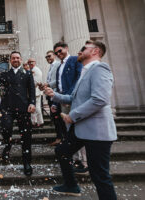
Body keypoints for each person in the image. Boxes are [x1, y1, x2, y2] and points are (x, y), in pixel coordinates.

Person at [44, 40, 117, 199]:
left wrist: (72, 116)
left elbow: (99, 99)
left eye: (84, 48)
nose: (79, 51)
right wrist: (54, 95)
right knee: (62, 151)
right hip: (81, 129)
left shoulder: (100, 68)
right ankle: (71, 185)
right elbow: (73, 98)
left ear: (95, 51)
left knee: (100, 176)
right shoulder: (85, 71)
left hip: (97, 130)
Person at [0, 51, 36, 176]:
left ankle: (27, 163)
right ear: (10, 60)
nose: (15, 60)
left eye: (18, 58)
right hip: (7, 107)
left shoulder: (28, 74)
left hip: (23, 108)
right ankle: (8, 145)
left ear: (21, 59)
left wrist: (32, 103)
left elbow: (32, 90)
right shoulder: (4, 74)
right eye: (13, 58)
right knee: (6, 128)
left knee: (26, 136)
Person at [52, 42, 87, 173]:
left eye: (60, 51)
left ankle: (84, 161)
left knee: (79, 129)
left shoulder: (74, 60)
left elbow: (78, 79)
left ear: (66, 48)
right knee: (69, 131)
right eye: (56, 53)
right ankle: (75, 158)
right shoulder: (59, 66)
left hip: (74, 100)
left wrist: (70, 96)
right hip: (63, 102)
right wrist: (56, 103)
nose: (58, 54)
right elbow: (58, 87)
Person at [44, 50, 63, 146]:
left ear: (54, 55)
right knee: (55, 118)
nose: (48, 58)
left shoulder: (58, 65)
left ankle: (60, 138)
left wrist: (48, 84)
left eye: (49, 56)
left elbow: (59, 80)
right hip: (50, 95)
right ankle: (59, 137)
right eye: (46, 57)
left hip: (56, 95)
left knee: (57, 118)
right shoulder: (51, 67)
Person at [28, 58, 43, 127]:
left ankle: (36, 122)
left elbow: (35, 83)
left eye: (32, 62)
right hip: (34, 92)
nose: (30, 63)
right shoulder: (31, 70)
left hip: (35, 92)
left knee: (36, 108)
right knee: (35, 107)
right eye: (29, 62)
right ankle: (37, 121)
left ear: (35, 62)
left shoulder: (36, 70)